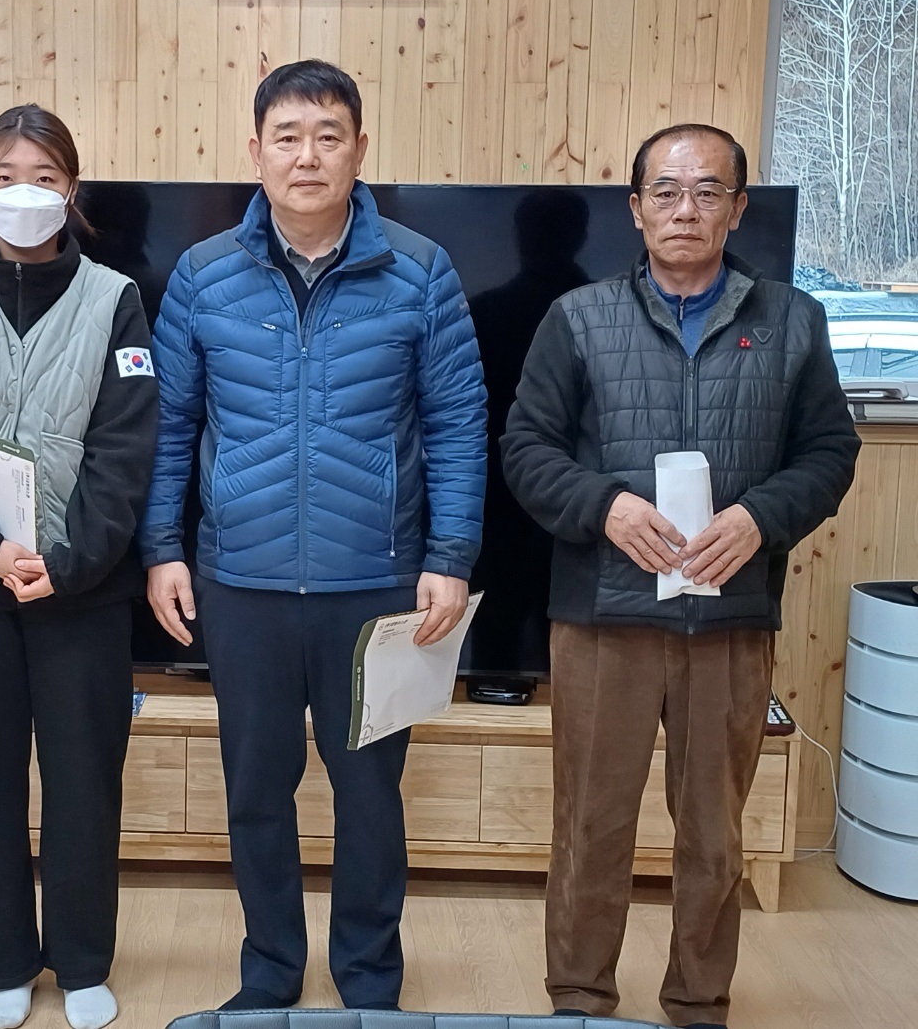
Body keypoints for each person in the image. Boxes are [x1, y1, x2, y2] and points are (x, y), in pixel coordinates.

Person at [140, 59, 487, 1012]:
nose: (307, 157)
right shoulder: (204, 275)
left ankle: (370, 982)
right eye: (287, 137)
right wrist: (162, 548)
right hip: (241, 583)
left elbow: (459, 423)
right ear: (255, 152)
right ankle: (269, 976)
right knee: (256, 792)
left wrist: (449, 558)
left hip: (375, 586)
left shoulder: (420, 270)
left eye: (328, 136)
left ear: (359, 149)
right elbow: (169, 424)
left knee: (370, 796)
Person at [501, 123, 861, 1029]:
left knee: (714, 835)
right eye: (665, 191)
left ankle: (699, 1004)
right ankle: (580, 1001)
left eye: (708, 191)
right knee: (591, 827)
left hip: (730, 619)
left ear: (737, 209)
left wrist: (760, 517)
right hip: (603, 617)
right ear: (635, 209)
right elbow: (526, 448)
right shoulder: (578, 318)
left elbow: (829, 452)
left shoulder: (792, 319)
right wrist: (605, 506)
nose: (685, 209)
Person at [0, 104, 158, 1029]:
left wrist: (68, 559)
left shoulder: (116, 299)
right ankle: (5, 962)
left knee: (86, 782)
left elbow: (127, 446)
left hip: (82, 587)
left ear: (71, 190)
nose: (24, 193)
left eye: (44, 177)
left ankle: (82, 963)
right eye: (5, 175)